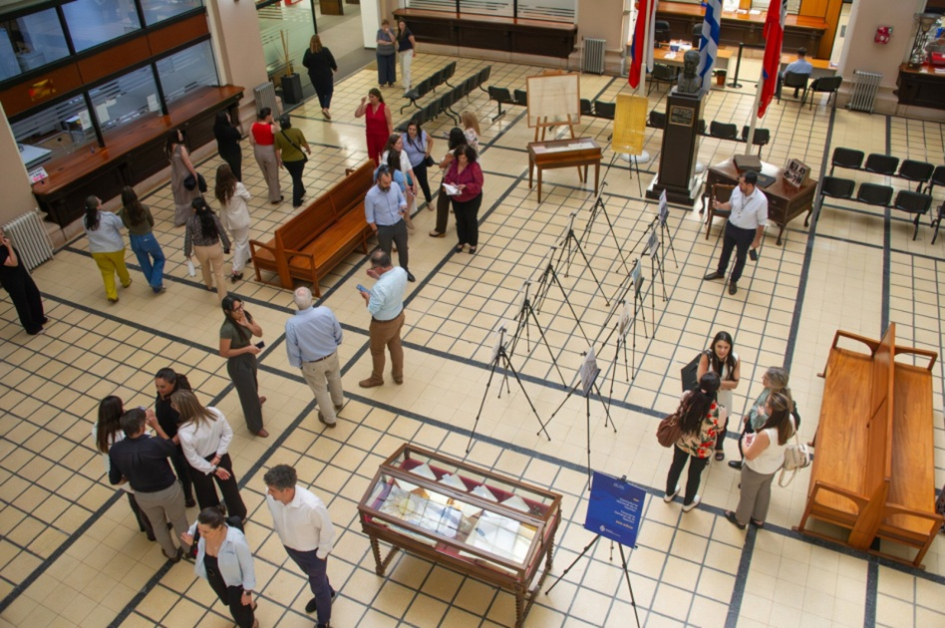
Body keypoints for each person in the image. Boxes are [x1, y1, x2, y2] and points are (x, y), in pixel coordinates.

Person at [108, 407, 190, 562]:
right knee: (179, 520)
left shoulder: (116, 450)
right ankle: (188, 549)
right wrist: (157, 426)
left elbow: (114, 479)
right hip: (169, 490)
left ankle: (171, 553)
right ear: (141, 427)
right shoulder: (153, 444)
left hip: (143, 495)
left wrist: (131, 477)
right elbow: (171, 449)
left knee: (158, 524)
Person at [264, 464, 337, 628]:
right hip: (291, 547)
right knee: (315, 579)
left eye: (273, 490)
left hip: (312, 554)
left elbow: (328, 532)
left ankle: (323, 622)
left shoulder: (311, 506)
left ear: (287, 490)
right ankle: (329, 591)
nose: (268, 493)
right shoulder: (271, 496)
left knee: (318, 587)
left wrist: (321, 555)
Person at [172, 390, 247, 522]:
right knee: (230, 489)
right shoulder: (214, 412)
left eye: (174, 404)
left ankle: (213, 521)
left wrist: (212, 468)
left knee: (206, 495)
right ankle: (239, 516)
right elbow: (227, 434)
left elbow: (193, 458)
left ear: (180, 408)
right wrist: (218, 456)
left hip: (201, 465)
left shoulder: (184, 432)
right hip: (221, 457)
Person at [725, 391, 795, 529]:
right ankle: (758, 519)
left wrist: (745, 442)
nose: (764, 404)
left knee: (748, 495)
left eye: (767, 403)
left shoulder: (767, 434)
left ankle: (741, 520)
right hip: (774, 465)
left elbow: (749, 455)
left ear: (772, 410)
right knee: (764, 491)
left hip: (756, 470)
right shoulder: (790, 420)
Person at [181, 507, 258, 628]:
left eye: (206, 532)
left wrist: (247, 592)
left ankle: (252, 624)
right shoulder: (201, 528)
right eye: (200, 530)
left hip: (235, 581)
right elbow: (193, 530)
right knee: (228, 599)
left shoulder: (236, 541)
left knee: (237, 611)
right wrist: (192, 538)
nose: (201, 534)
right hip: (214, 575)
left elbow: (247, 566)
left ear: (218, 528)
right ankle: (248, 606)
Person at [93, 396, 154, 540]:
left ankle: (143, 525)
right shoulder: (121, 433)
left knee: (133, 498)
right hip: (131, 471)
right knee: (143, 502)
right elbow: (141, 440)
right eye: (122, 406)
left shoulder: (97, 428)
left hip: (115, 471)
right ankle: (152, 531)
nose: (124, 407)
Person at [286, 287, 344, 429]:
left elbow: (292, 348)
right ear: (311, 298)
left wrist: (298, 364)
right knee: (335, 378)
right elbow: (337, 330)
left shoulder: (292, 324)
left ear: (295, 302)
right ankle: (338, 402)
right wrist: (337, 342)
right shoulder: (325, 312)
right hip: (331, 355)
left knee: (320, 390)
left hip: (311, 363)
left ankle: (330, 419)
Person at [663, 373, 721, 512]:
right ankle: (688, 502)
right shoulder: (716, 409)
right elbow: (717, 428)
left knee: (676, 466)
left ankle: (669, 493)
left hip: (682, 441)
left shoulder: (687, 396)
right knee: (694, 475)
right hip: (702, 449)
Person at [703, 170, 767, 295]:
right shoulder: (737, 190)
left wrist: (757, 240)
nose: (739, 185)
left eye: (742, 183)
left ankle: (733, 280)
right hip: (731, 226)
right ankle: (720, 272)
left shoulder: (761, 201)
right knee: (725, 251)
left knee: (741, 257)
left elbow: (761, 223)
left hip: (746, 232)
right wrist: (720, 206)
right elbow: (731, 205)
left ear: (750, 185)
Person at [358, 250, 407, 388]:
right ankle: (398, 375)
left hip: (383, 325)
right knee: (395, 344)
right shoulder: (401, 271)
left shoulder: (380, 287)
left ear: (379, 268)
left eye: (373, 267)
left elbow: (372, 309)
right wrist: (378, 277)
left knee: (377, 351)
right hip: (398, 315)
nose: (373, 269)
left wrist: (367, 297)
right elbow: (391, 285)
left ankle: (376, 379)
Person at [219, 295, 268, 437]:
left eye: (241, 306)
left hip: (249, 356)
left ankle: (255, 401)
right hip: (237, 363)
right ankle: (255, 426)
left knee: (253, 383)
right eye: (237, 309)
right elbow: (224, 352)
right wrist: (247, 349)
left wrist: (247, 324)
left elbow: (259, 333)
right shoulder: (227, 329)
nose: (241, 310)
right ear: (227, 312)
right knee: (247, 394)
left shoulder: (245, 315)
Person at [728, 367, 793, 470]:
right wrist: (749, 414)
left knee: (748, 445)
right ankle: (744, 462)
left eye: (766, 378)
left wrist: (762, 415)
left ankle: (746, 465)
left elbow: (774, 422)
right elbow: (757, 402)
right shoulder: (767, 389)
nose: (762, 378)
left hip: (760, 428)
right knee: (742, 440)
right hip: (754, 420)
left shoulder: (778, 401)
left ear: (774, 383)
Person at [154, 367, 198, 508]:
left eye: (163, 387)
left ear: (173, 384)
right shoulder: (165, 394)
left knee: (182, 469)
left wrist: (170, 444)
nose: (159, 390)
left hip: (178, 443)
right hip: (167, 434)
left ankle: (188, 497)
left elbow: (183, 429)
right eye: (157, 386)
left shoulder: (176, 404)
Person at [365, 167, 415, 283]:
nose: (388, 185)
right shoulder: (370, 195)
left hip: (398, 223)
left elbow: (402, 200)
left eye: (389, 182)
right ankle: (389, 276)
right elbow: (369, 218)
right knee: (386, 254)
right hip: (383, 228)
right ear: (378, 181)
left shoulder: (395, 186)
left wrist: (403, 206)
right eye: (385, 183)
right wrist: (377, 231)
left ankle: (405, 270)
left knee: (403, 249)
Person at [696, 331, 739, 461]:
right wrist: (724, 383)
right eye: (719, 346)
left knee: (723, 425)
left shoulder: (734, 359)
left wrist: (716, 383)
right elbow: (700, 379)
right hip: (707, 398)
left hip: (724, 398)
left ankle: (719, 446)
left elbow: (735, 383)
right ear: (714, 345)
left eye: (726, 347)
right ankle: (704, 448)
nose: (722, 350)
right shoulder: (707, 356)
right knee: (705, 424)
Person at [84, 196, 132, 303]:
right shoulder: (108, 216)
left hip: (97, 251)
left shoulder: (84, 220)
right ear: (98, 206)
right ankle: (125, 281)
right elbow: (120, 225)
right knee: (120, 265)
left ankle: (111, 294)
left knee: (106, 272)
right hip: (114, 248)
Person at [118, 186, 166, 294]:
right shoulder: (143, 208)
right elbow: (151, 222)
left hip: (134, 239)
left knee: (144, 263)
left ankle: (155, 288)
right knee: (159, 258)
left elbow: (126, 226)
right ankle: (156, 282)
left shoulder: (122, 212)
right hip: (147, 237)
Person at [0, 227, 47, 335]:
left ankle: (38, 318)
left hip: (21, 275)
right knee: (22, 303)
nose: (1, 236)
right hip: (11, 281)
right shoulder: (4, 248)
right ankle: (31, 327)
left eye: (1, 233)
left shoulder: (4, 245)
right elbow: (13, 263)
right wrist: (9, 246)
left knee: (33, 294)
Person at [184, 197, 231, 300]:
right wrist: (227, 245)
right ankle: (223, 297)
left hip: (200, 249)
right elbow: (221, 232)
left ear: (195, 209)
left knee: (204, 266)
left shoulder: (191, 221)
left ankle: (208, 284)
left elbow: (188, 238)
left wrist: (187, 252)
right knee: (219, 274)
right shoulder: (213, 217)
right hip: (214, 248)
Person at [444, 144, 484, 254]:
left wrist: (466, 186)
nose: (462, 160)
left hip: (472, 198)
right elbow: (448, 177)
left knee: (470, 220)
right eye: (460, 157)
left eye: (464, 158)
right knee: (460, 220)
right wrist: (451, 183)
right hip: (456, 197)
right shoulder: (454, 163)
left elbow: (478, 184)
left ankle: (473, 243)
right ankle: (461, 241)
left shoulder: (474, 166)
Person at [215, 164, 252, 283]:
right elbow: (248, 197)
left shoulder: (219, 189)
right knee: (240, 243)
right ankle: (236, 270)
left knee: (240, 239)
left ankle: (247, 256)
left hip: (227, 220)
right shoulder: (237, 186)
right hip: (239, 219)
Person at [429, 128, 467, 238]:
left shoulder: (452, 153)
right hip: (461, 179)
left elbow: (441, 165)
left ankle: (440, 229)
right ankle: (461, 223)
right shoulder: (465, 149)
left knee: (443, 203)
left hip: (448, 180)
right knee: (458, 202)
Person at [275, 114, 312, 208]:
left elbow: (277, 149)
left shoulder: (278, 135)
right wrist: (308, 149)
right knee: (296, 178)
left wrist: (279, 160)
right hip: (298, 159)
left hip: (287, 161)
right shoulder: (296, 131)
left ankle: (301, 190)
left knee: (295, 176)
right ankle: (296, 201)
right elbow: (304, 143)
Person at [166, 128, 201, 226]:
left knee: (181, 197)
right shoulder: (180, 148)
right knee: (191, 194)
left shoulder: (167, 148)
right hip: (185, 174)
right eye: (179, 133)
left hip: (175, 175)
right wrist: (194, 174)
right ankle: (195, 213)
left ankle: (182, 218)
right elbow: (188, 163)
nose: (181, 134)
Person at [380, 138, 416, 232]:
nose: (401, 145)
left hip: (400, 182)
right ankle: (400, 223)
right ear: (392, 145)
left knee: (409, 197)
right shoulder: (387, 156)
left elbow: (409, 168)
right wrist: (406, 187)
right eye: (399, 143)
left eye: (401, 143)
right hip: (394, 185)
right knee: (399, 206)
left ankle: (406, 217)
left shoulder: (403, 153)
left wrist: (414, 183)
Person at [250, 108, 283, 204]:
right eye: (271, 115)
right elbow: (279, 130)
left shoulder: (253, 125)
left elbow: (251, 141)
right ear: (267, 116)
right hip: (269, 150)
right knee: (273, 174)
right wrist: (273, 122)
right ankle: (275, 197)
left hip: (257, 150)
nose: (272, 116)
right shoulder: (271, 127)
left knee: (265, 173)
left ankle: (273, 189)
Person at [303, 35, 338, 119]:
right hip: (326, 75)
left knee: (320, 93)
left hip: (314, 76)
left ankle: (323, 108)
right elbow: (331, 60)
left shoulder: (308, 52)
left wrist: (311, 66)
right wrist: (334, 67)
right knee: (329, 91)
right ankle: (326, 108)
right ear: (319, 41)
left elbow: (304, 63)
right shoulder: (325, 50)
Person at [355, 89, 393, 167]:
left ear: (378, 97)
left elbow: (389, 123)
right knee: (372, 156)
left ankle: (386, 171)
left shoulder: (384, 107)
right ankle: (375, 172)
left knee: (384, 156)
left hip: (382, 136)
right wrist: (362, 103)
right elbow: (357, 115)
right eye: (369, 97)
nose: (370, 99)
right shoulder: (367, 106)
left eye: (372, 97)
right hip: (371, 136)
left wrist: (390, 136)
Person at [403, 121, 434, 204]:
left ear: (417, 130)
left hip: (420, 163)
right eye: (410, 129)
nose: (411, 131)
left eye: (414, 130)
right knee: (410, 184)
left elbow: (431, 140)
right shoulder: (403, 137)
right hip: (409, 166)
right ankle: (411, 203)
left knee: (424, 183)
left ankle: (429, 201)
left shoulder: (423, 134)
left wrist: (428, 152)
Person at [213, 110, 243, 181]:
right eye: (227, 116)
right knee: (237, 170)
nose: (229, 117)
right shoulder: (230, 129)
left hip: (223, 151)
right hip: (233, 152)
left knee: (231, 166)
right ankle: (238, 183)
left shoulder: (216, 128)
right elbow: (239, 136)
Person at [396, 18, 417, 94]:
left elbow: (413, 42)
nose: (401, 26)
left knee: (406, 69)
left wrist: (414, 51)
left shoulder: (408, 33)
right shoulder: (399, 32)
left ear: (405, 25)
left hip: (408, 51)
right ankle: (406, 82)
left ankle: (407, 87)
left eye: (402, 25)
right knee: (402, 68)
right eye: (400, 25)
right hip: (401, 52)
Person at [376, 19, 396, 87]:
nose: (385, 27)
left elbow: (393, 40)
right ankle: (382, 82)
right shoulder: (379, 32)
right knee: (382, 68)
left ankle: (391, 82)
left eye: (387, 26)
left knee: (391, 67)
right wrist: (388, 43)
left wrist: (389, 33)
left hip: (390, 52)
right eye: (384, 26)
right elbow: (379, 41)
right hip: (381, 52)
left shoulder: (391, 31)